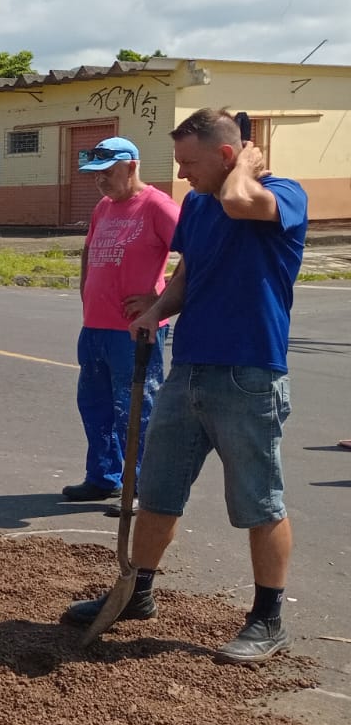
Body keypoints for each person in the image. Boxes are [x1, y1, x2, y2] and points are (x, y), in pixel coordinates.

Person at [64, 109, 307, 664]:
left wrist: (244, 165)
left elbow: (242, 203)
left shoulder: (282, 193)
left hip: (250, 373)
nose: (182, 174)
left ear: (228, 155)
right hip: (189, 367)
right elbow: (189, 271)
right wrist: (156, 309)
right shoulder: (198, 204)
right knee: (159, 488)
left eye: (191, 162)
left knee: (258, 499)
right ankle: (137, 592)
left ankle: (267, 618)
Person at [65, 138, 179, 515]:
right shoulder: (104, 207)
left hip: (134, 331)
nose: (101, 182)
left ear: (131, 166)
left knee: (136, 410)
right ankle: (104, 476)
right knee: (95, 404)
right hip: (95, 327)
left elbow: (198, 253)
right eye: (96, 175)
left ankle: (142, 487)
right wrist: (86, 288)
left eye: (108, 173)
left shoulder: (157, 206)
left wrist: (158, 301)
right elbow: (88, 249)